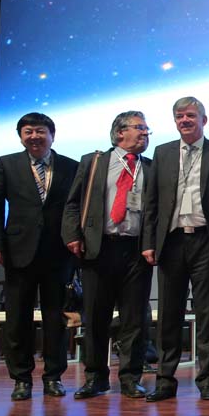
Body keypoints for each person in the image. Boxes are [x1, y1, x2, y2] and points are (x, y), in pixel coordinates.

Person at [142, 97, 209, 402]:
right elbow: (152, 202)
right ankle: (165, 380)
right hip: (171, 242)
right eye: (180, 116)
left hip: (206, 243)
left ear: (203, 120)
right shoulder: (163, 152)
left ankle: (207, 380)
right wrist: (149, 243)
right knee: (169, 314)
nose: (185, 120)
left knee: (208, 314)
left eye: (191, 115)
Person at [0, 112, 78, 401]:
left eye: (40, 131)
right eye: (28, 132)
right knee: (17, 319)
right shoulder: (6, 164)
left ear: (52, 135)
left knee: (55, 319)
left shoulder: (71, 166)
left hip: (58, 253)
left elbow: (77, 208)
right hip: (18, 252)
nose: (34, 136)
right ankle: (21, 379)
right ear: (21, 137)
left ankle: (53, 377)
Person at [61, 111, 153, 399]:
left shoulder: (150, 167)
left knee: (134, 319)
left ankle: (130, 378)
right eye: (139, 128)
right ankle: (95, 377)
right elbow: (73, 203)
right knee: (95, 317)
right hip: (98, 248)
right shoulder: (94, 161)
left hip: (136, 251)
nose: (145, 133)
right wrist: (72, 236)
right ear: (119, 133)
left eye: (147, 129)